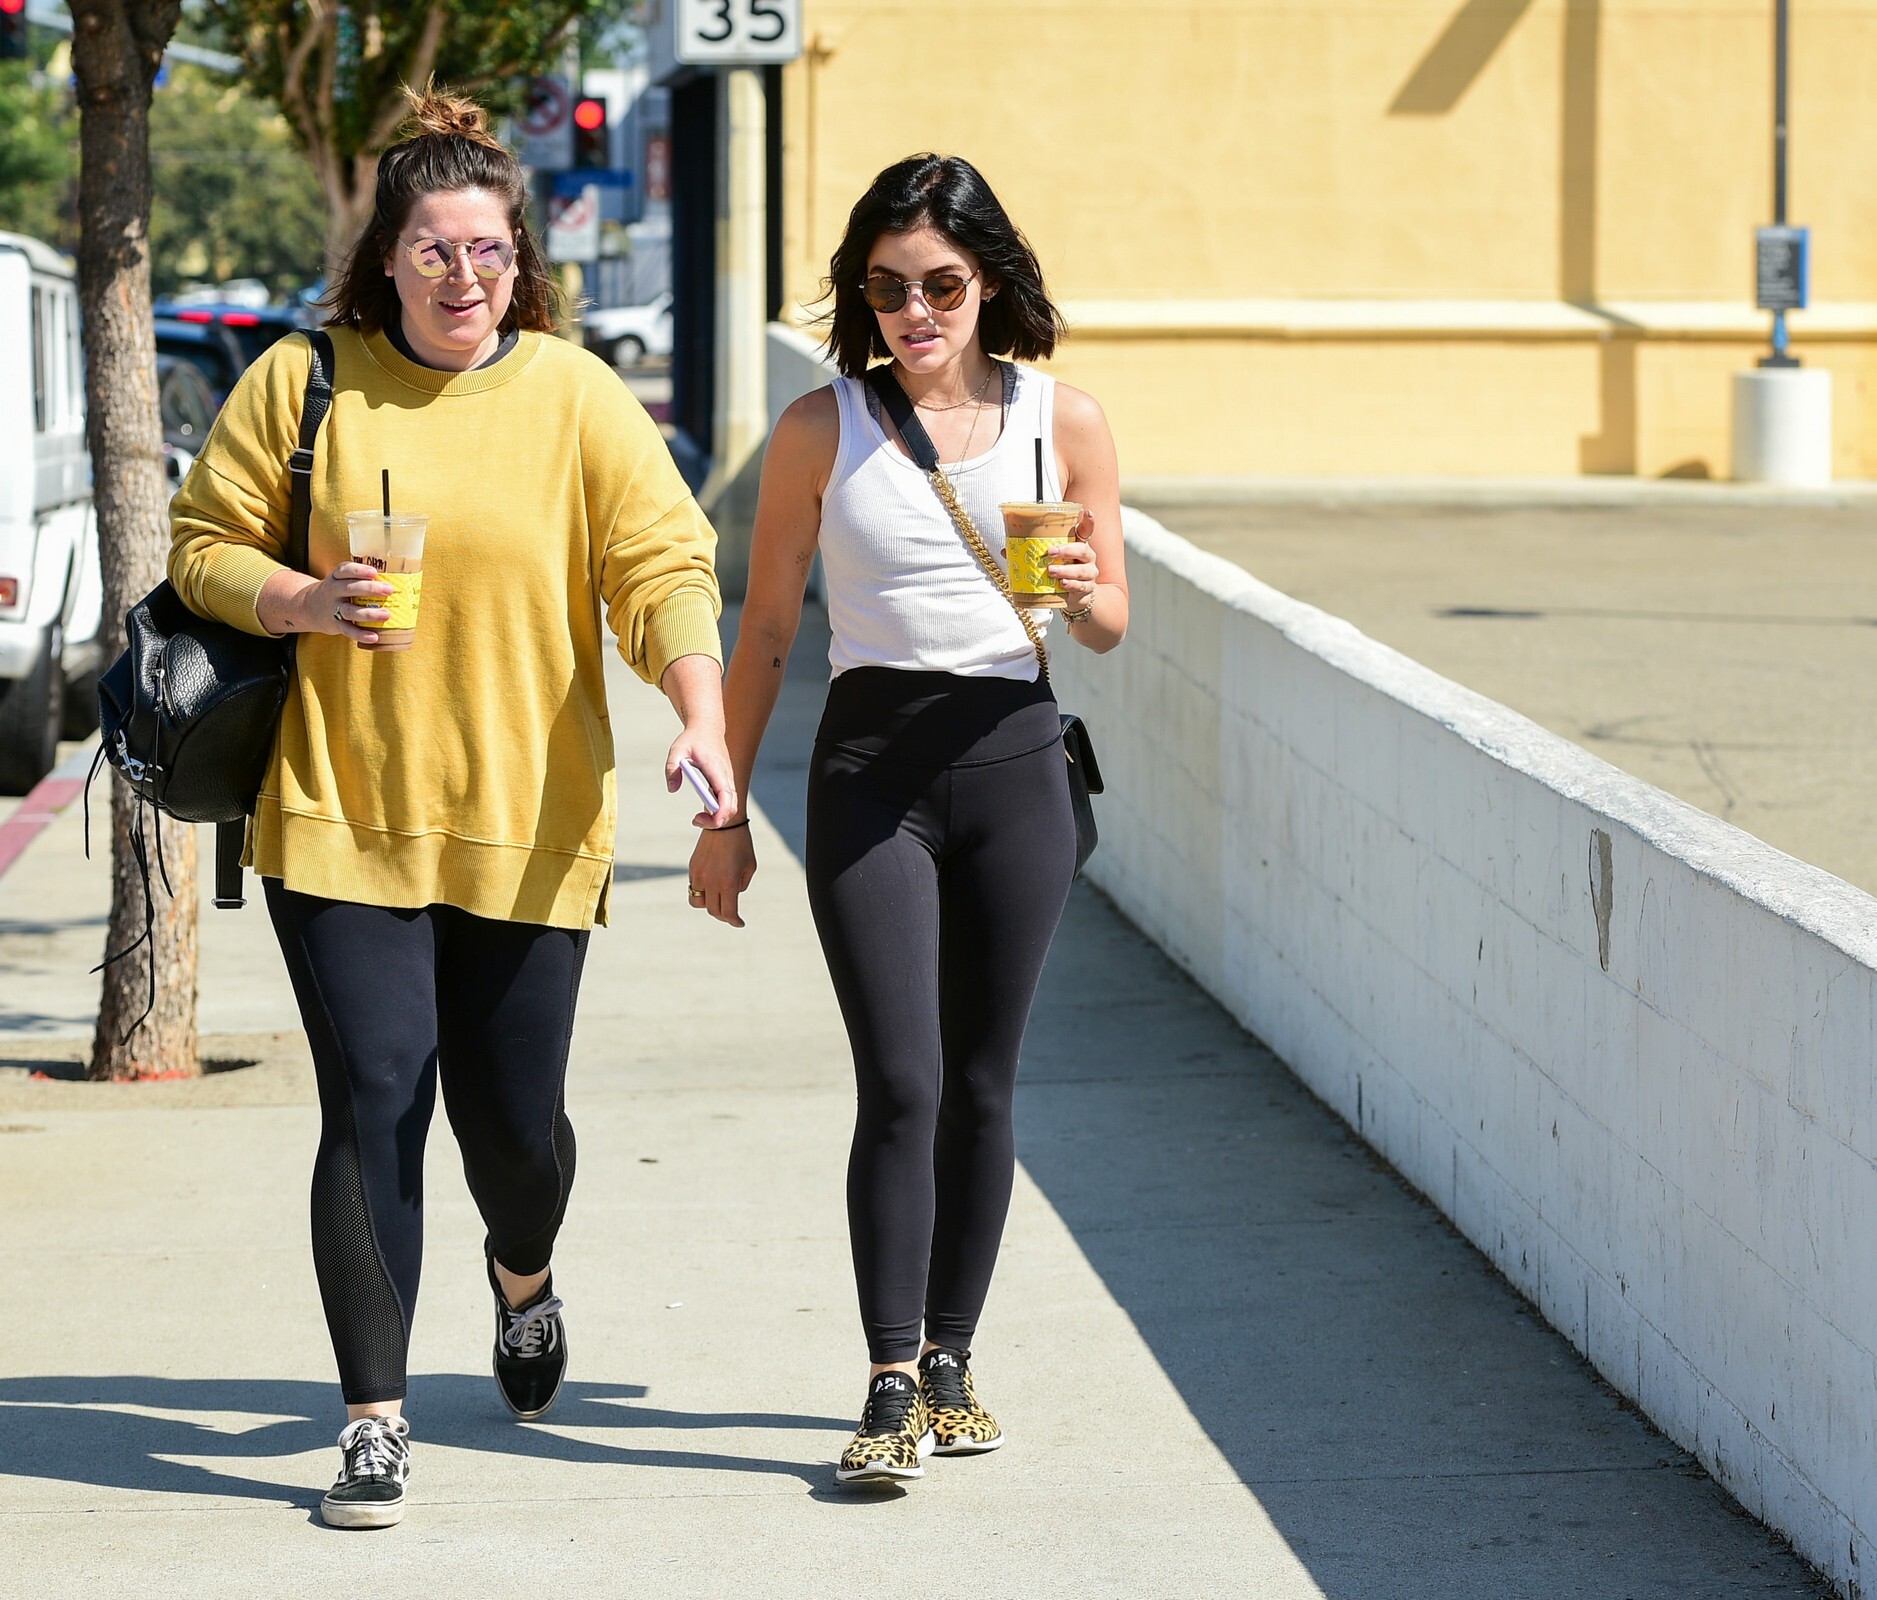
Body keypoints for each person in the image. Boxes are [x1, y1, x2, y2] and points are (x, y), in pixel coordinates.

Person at [168, 90, 736, 1530]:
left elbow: (661, 565)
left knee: (516, 1134)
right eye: (435, 248)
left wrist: (700, 711)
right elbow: (201, 547)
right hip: (340, 814)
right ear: (387, 256)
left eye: (489, 249)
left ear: (519, 259)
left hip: (530, 822)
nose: (464, 275)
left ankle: (522, 1276)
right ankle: (373, 1421)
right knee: (375, 1101)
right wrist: (301, 599)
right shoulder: (304, 383)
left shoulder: (574, 395)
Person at [687, 153, 1128, 1485]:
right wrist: (724, 811)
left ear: (989, 281)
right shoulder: (821, 429)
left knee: (982, 1083)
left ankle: (951, 1359)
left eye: (939, 283)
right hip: (871, 773)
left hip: (1015, 768)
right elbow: (767, 629)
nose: (913, 311)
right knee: (901, 1080)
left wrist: (1071, 587)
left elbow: (1109, 624)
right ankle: (886, 1382)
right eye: (885, 289)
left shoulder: (1066, 421)